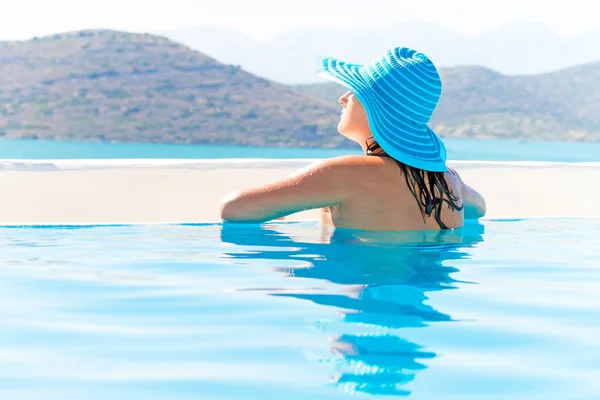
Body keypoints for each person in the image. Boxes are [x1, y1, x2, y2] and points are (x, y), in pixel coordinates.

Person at [219, 47, 486, 231]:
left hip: (362, 299)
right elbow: (479, 208)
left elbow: (232, 209)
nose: (343, 97)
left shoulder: (344, 173)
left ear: (376, 107)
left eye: (356, 90)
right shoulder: (449, 181)